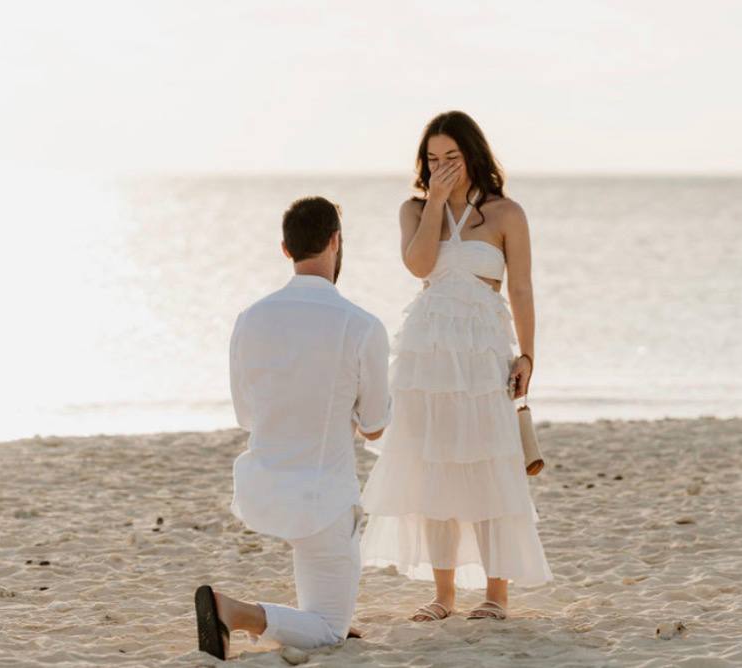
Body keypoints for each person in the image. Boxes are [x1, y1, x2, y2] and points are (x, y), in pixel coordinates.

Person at [359, 110, 553, 622]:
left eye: (452, 157)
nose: (441, 166)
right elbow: (420, 266)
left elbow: (523, 288)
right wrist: (437, 204)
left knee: (491, 463)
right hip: (427, 353)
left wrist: (528, 354)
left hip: (484, 349)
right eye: (432, 159)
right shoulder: (414, 209)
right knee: (434, 466)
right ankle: (443, 595)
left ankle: (496, 594)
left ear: (472, 155)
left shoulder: (507, 213)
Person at [195, 196, 392, 660]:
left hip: (261, 489)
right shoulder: (362, 325)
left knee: (319, 600)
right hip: (323, 501)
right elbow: (376, 426)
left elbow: (247, 415)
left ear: (285, 249)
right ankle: (234, 612)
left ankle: (303, 616)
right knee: (330, 630)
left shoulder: (250, 318)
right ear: (335, 241)